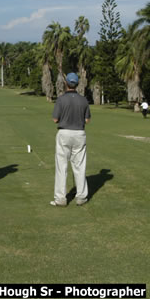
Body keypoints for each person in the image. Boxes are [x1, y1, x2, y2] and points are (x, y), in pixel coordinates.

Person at [51, 72, 91, 207]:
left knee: (62, 167)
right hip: (79, 133)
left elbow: (55, 119)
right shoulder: (84, 100)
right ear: (77, 84)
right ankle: (81, 197)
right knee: (79, 166)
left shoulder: (61, 99)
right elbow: (87, 120)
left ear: (66, 83)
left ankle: (61, 199)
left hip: (64, 133)